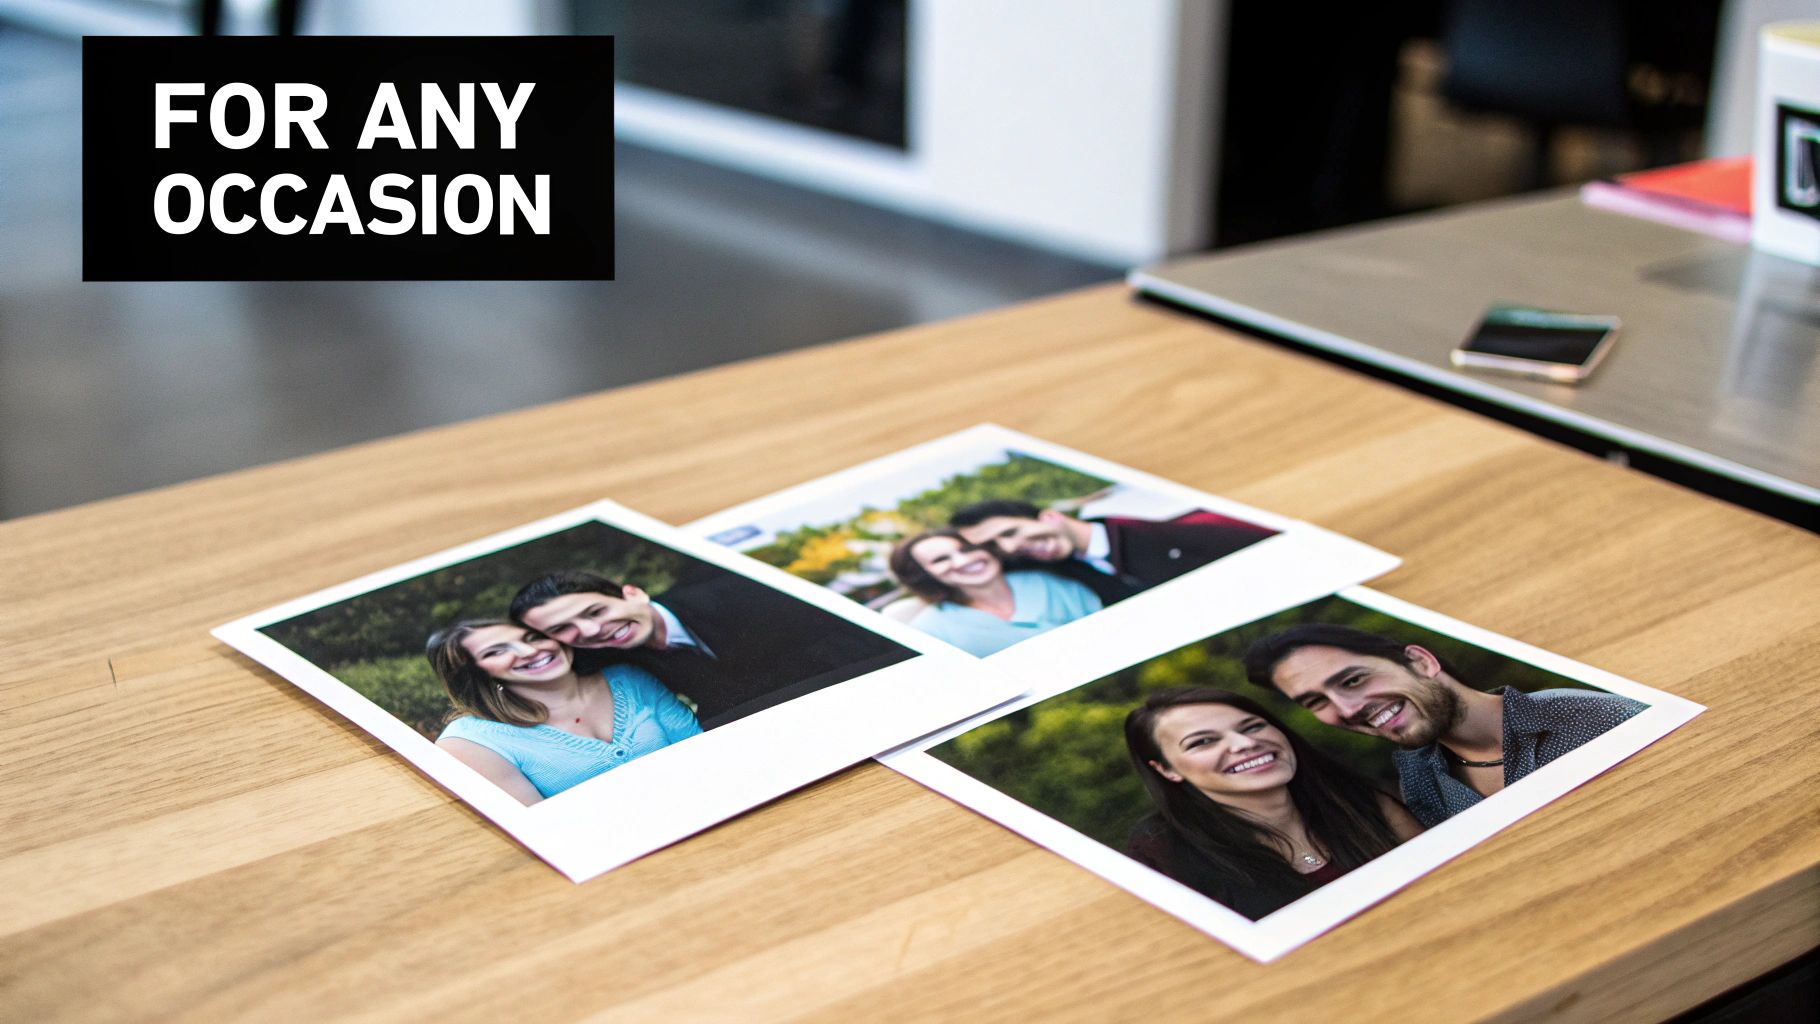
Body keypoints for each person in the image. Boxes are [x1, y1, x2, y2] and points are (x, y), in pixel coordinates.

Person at [1246, 624, 1648, 827]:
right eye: (1316, 702)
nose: (1347, 709)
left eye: (1353, 680)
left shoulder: (1593, 717)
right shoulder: (1418, 783)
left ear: (1421, 662)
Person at [1124, 688, 1421, 920]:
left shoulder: (1358, 802)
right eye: (1202, 742)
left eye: (1252, 727)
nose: (1245, 744)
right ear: (1166, 769)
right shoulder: (1162, 857)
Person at [510, 568, 912, 729]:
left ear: (633, 593)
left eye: (596, 611)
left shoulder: (739, 592)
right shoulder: (596, 655)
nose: (590, 630)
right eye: (562, 629)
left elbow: (854, 645)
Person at [426, 619, 701, 806]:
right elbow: (536, 831)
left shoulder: (627, 678)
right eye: (496, 652)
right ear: (475, 673)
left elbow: (699, 750)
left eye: (533, 637)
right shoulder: (468, 743)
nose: (530, 651)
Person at [949, 499, 1277, 604]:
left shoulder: (1171, 529)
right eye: (995, 547)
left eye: (1010, 533)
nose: (1010, 548)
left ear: (1049, 516)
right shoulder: (1058, 572)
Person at [887, 529, 1101, 656]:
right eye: (940, 559)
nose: (963, 561)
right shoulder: (929, 630)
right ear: (923, 575)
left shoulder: (1047, 580)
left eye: (967, 549)